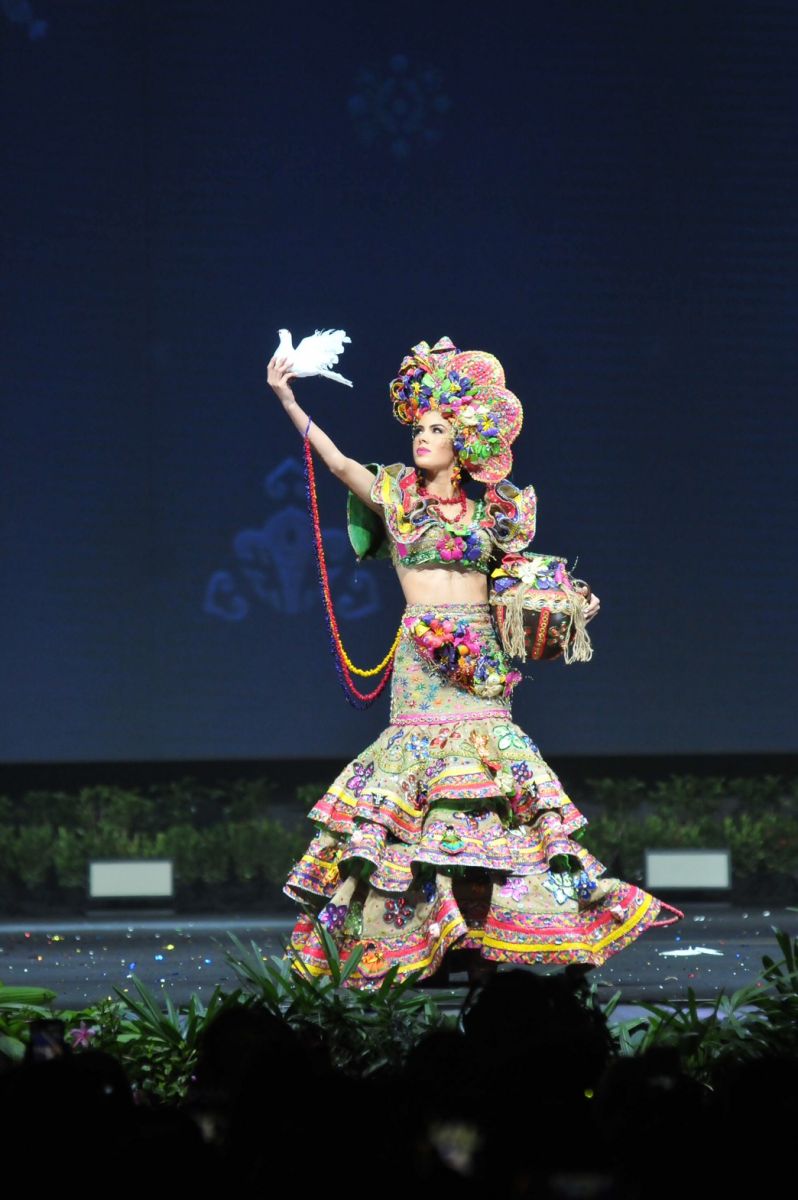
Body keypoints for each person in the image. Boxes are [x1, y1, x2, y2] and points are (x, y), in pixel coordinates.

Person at [267, 336, 684, 988]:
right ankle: (418, 939)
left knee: (493, 793)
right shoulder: (399, 498)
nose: (423, 439)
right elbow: (341, 463)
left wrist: (577, 607)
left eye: (438, 429)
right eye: (420, 429)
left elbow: (523, 590)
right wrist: (288, 398)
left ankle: (501, 938)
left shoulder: (496, 514)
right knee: (422, 793)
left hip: (480, 664)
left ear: (464, 441)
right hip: (421, 667)